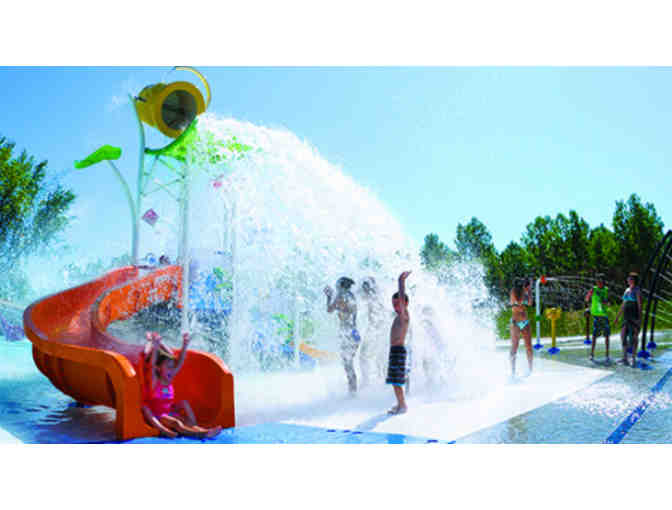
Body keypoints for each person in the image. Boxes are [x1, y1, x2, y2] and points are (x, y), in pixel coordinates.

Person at [141, 331, 222, 439]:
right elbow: (152, 365)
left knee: (184, 405)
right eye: (168, 367)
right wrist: (155, 346)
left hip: (169, 413)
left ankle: (197, 428)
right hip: (159, 416)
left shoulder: (169, 379)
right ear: (159, 368)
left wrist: (185, 345)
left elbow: (180, 362)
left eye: (172, 367)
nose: (172, 369)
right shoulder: (155, 382)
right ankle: (201, 434)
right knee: (176, 423)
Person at [324, 277, 360, 394]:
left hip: (348, 334)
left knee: (348, 363)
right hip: (354, 333)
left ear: (341, 286)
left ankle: (353, 391)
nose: (336, 288)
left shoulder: (342, 295)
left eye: (337, 285)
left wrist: (329, 296)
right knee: (348, 363)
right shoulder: (351, 296)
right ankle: (352, 390)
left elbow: (330, 309)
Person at [386, 271, 412, 415]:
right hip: (395, 351)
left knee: (396, 382)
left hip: (398, 351)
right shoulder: (398, 316)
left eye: (397, 304)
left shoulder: (404, 315)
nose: (395, 306)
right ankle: (400, 403)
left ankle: (402, 406)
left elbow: (401, 298)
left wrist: (401, 281)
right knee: (395, 381)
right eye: (393, 304)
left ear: (404, 304)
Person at [359, 276, 386, 387]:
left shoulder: (374, 298)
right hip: (377, 329)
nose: (362, 291)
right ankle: (380, 378)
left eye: (364, 288)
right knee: (379, 355)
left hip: (376, 329)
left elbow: (381, 315)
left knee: (364, 355)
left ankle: (366, 380)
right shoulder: (376, 296)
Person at [614, 273, 642, 366]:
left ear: (634, 280)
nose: (628, 280)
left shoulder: (637, 290)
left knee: (634, 337)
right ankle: (624, 357)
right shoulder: (627, 290)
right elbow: (623, 304)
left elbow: (639, 305)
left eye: (630, 279)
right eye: (628, 279)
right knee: (623, 335)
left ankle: (633, 358)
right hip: (626, 316)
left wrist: (639, 318)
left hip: (634, 315)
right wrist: (617, 317)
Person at [510, 277, 533, 378]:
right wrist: (526, 293)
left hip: (524, 321)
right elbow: (518, 302)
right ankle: (513, 371)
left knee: (529, 346)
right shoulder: (513, 292)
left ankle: (530, 369)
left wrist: (529, 292)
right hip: (515, 323)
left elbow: (530, 303)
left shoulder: (525, 292)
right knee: (514, 346)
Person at [585, 274, 611, 363]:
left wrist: (605, 302)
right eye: (598, 281)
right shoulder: (593, 289)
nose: (599, 282)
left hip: (604, 315)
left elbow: (609, 302)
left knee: (606, 335)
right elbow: (587, 299)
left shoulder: (606, 290)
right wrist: (588, 308)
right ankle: (592, 354)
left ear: (603, 282)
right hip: (596, 315)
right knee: (594, 335)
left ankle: (607, 355)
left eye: (600, 281)